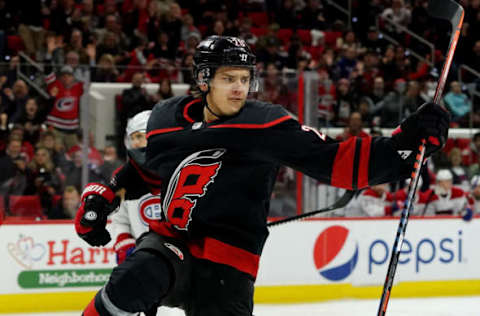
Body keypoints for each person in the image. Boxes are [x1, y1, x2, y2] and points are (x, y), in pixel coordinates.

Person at [74, 36, 449, 316]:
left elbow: (338, 162)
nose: (240, 87)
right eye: (228, 78)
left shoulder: (264, 123)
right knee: (132, 279)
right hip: (173, 243)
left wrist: (406, 142)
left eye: (244, 78)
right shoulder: (164, 120)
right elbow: (144, 170)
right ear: (204, 79)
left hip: (230, 261)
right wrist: (106, 194)